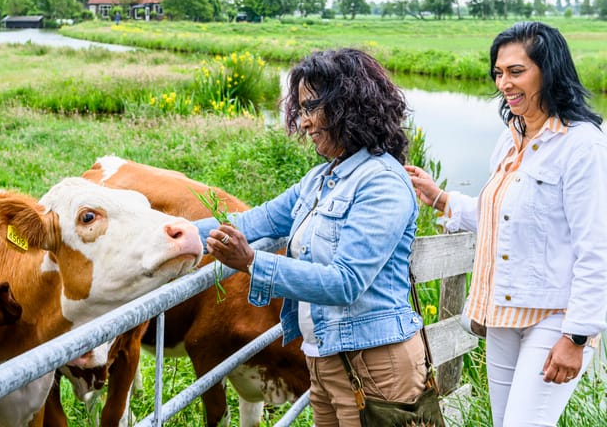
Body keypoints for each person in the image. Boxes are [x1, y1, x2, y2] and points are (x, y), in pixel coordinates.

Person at [195, 48, 427, 426]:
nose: (303, 122)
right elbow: (257, 220)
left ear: (350, 105)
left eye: (311, 108)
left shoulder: (382, 182)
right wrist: (172, 235)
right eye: (299, 110)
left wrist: (251, 262)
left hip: (375, 363)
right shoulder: (320, 180)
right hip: (322, 357)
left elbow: (345, 282)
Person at [406, 21, 607, 426]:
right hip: (504, 313)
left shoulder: (582, 144)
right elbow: (504, 220)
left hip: (555, 317)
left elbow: (597, 246)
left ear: (548, 72)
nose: (504, 83)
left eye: (516, 72)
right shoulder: (510, 136)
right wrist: (442, 199)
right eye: (499, 73)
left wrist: (578, 336)